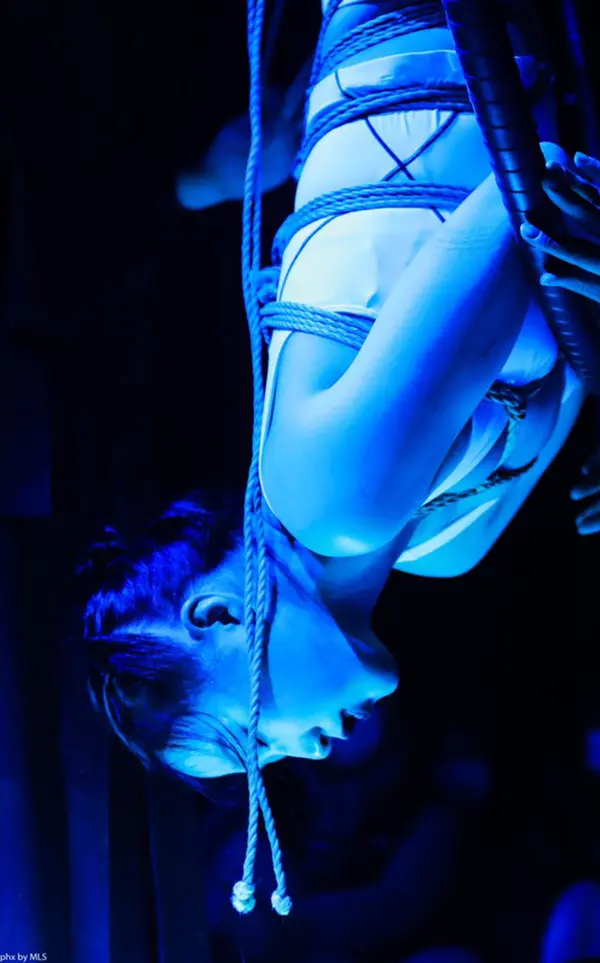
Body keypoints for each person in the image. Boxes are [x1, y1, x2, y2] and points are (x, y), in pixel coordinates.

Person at [81, 0, 600, 784]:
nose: (309, 753)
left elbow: (535, 192)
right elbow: (575, 313)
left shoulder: (336, 501)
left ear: (219, 614)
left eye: (253, 742)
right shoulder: (450, 545)